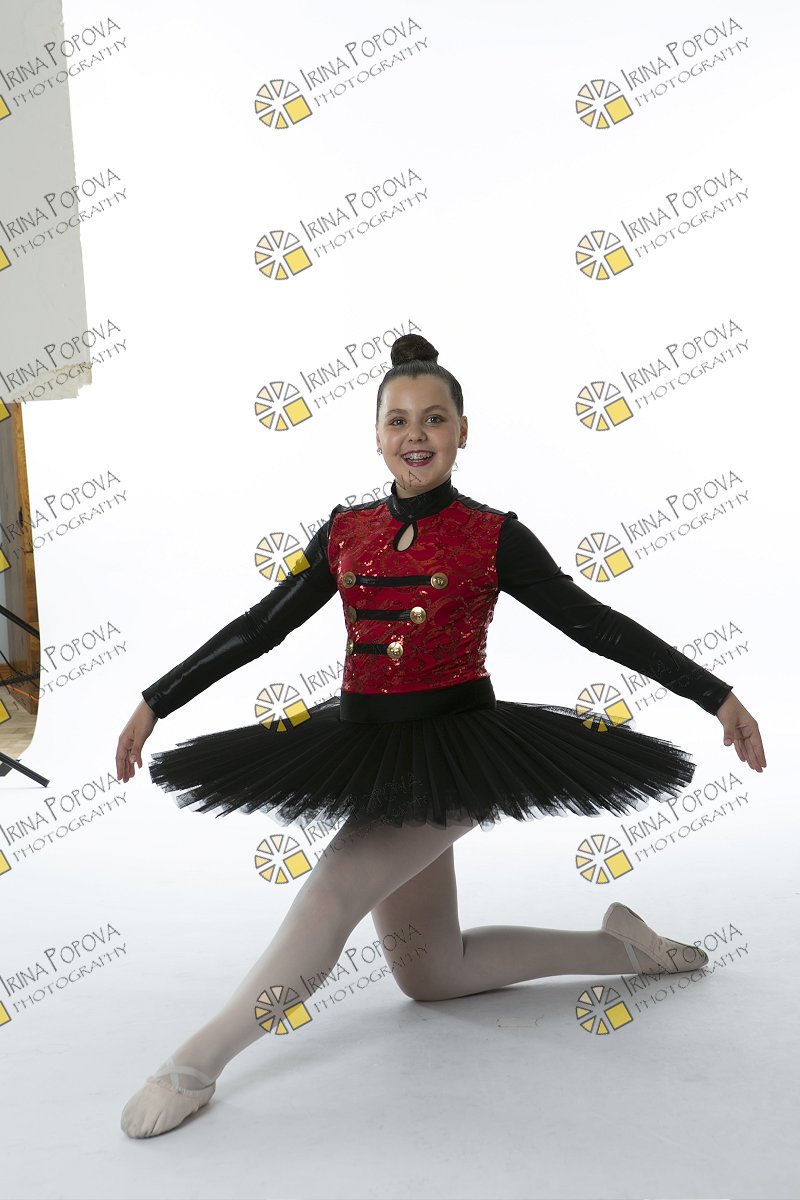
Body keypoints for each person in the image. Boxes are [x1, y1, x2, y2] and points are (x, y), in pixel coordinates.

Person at [116, 333, 766, 1138]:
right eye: (398, 420)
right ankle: (624, 950)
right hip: (367, 747)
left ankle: (195, 1063)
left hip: (456, 754)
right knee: (431, 974)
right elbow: (261, 625)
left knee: (331, 893)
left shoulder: (493, 535)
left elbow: (595, 624)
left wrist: (716, 695)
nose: (415, 434)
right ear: (376, 436)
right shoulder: (345, 529)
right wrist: (157, 700)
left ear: (463, 431)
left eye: (434, 418)